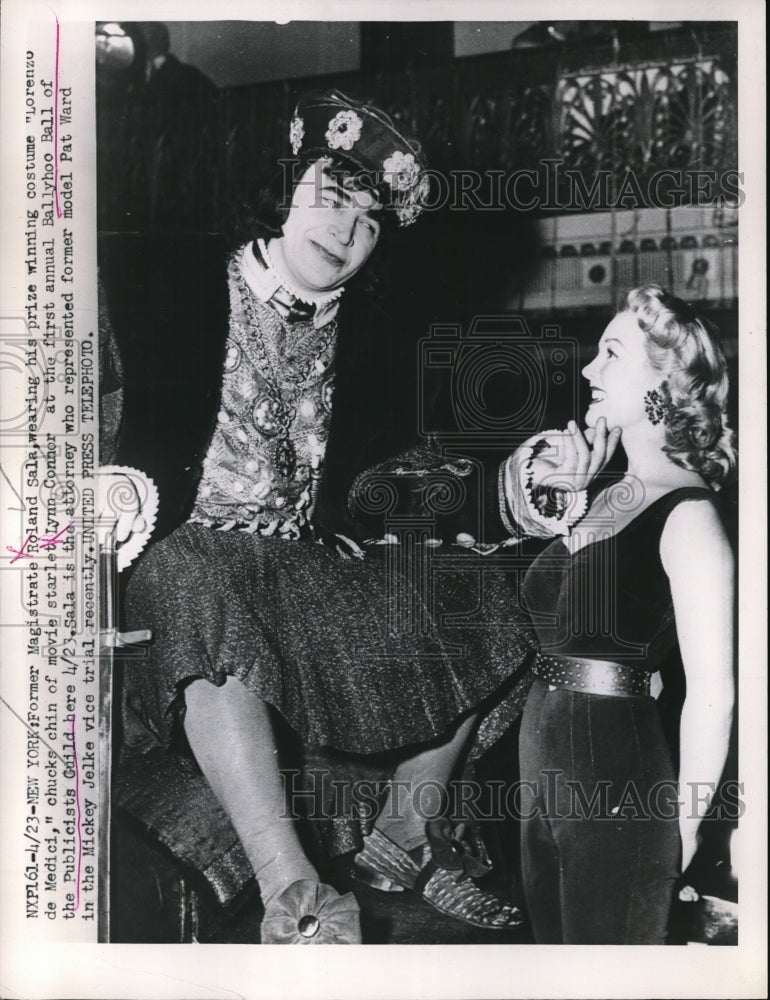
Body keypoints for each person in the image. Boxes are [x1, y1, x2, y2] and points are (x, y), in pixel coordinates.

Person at [101, 91, 622, 944]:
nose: (345, 230)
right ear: (284, 187)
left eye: (371, 220)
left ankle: (404, 836)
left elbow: (410, 482)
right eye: (331, 196)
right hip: (173, 574)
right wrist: (104, 486)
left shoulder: (376, 338)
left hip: (297, 576)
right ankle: (293, 893)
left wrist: (531, 476)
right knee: (196, 572)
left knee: (491, 582)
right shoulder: (160, 282)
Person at [511, 284, 736, 944]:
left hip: (618, 784)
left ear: (663, 383)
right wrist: (567, 499)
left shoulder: (690, 516)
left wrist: (686, 830)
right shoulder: (607, 495)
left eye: (611, 354)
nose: (588, 370)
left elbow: (714, 697)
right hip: (539, 775)